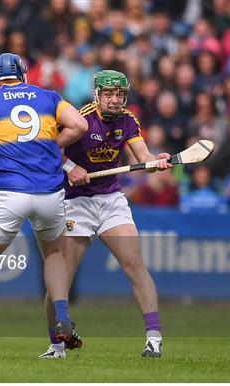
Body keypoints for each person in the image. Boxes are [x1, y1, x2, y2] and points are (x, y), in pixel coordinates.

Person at [0, 53, 88, 354]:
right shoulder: (48, 96)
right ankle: (63, 319)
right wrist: (51, 145)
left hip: (11, 192)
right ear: (24, 75)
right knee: (53, 254)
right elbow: (79, 125)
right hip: (51, 193)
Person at [39, 70, 172, 360]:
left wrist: (155, 161)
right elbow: (49, 148)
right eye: (109, 94)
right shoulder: (79, 118)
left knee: (134, 264)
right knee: (62, 278)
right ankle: (56, 345)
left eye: (120, 94)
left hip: (111, 200)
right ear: (97, 95)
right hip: (76, 202)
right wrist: (69, 167)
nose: (115, 100)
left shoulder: (128, 120)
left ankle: (154, 337)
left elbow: (143, 158)